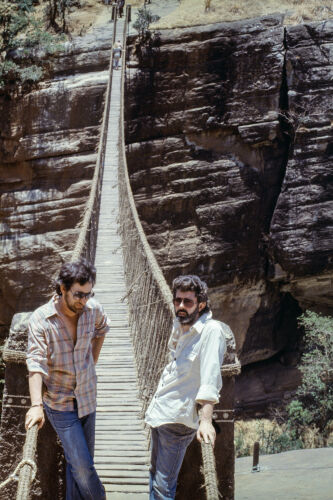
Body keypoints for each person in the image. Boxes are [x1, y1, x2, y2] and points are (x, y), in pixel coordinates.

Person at [25, 259, 109, 500]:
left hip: (87, 397)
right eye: (78, 294)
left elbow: (102, 329)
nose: (84, 300)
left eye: (88, 293)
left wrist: (91, 362)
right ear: (62, 288)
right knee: (83, 468)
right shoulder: (41, 319)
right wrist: (36, 405)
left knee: (79, 466)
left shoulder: (93, 310)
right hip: (59, 403)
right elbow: (36, 362)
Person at [145, 275, 228, 500]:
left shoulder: (212, 332)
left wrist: (206, 421)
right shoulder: (181, 323)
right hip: (159, 412)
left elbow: (211, 379)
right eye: (177, 300)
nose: (181, 306)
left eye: (188, 302)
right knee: (153, 476)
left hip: (178, 421)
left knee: (163, 487)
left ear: (201, 304)